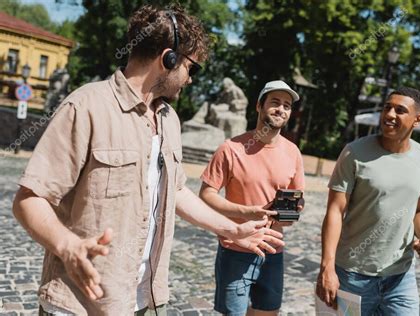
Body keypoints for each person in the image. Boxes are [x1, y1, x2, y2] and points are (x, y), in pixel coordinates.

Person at [12, 5, 284, 315]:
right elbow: (28, 199)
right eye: (191, 68)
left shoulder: (169, 119)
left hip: (144, 300)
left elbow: (177, 191)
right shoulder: (86, 107)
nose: (191, 80)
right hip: (79, 305)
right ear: (168, 58)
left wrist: (231, 229)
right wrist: (68, 246)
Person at [316, 87, 420, 315]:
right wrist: (327, 267)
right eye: (387, 107)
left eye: (400, 110)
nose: (390, 114)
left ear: (417, 119)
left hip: (401, 276)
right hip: (352, 274)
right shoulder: (354, 153)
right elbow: (335, 210)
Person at [199, 80, 305, 316]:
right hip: (235, 249)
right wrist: (248, 212)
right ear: (259, 106)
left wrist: (293, 211)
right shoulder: (230, 148)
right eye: (275, 103)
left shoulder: (293, 152)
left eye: (287, 105)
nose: (281, 109)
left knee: (267, 313)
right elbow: (206, 195)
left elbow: (299, 198)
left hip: (273, 251)